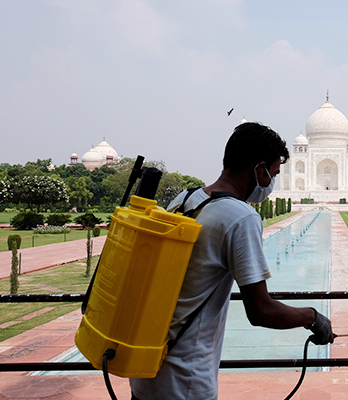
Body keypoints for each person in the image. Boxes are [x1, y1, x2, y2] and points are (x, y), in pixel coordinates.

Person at [130, 122, 334, 400]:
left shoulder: (185, 199)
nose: (271, 183)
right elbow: (260, 311)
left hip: (146, 372)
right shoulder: (241, 217)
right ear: (258, 169)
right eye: (273, 173)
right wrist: (312, 317)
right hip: (186, 382)